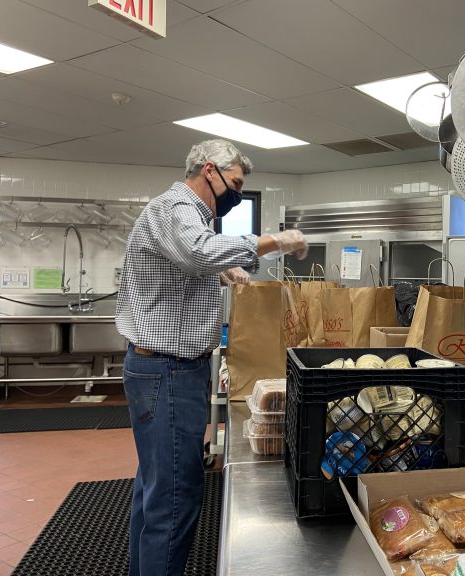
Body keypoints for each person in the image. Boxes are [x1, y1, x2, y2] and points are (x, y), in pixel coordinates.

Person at [115, 138, 307, 576]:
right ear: (209, 171)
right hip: (168, 371)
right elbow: (197, 251)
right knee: (176, 495)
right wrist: (273, 241)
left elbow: (189, 262)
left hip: (168, 369)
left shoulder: (190, 215)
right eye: (235, 183)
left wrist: (222, 272)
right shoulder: (176, 208)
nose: (237, 193)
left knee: (156, 486)